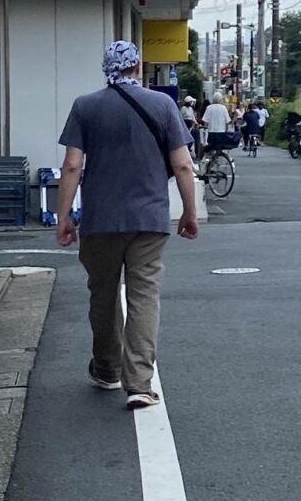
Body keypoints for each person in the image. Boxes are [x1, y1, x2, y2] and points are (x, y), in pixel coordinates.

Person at [55, 40, 199, 411]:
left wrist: (64, 215)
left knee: (102, 295)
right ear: (137, 67)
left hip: (100, 220)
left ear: (106, 68)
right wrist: (189, 211)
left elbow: (72, 165)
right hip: (149, 221)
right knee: (144, 296)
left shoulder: (85, 106)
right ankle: (139, 383)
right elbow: (183, 164)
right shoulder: (163, 104)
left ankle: (106, 368)